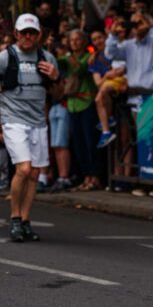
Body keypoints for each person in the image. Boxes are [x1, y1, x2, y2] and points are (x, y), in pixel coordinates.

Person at [0, 13, 61, 242]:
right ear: (15, 33)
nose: (27, 37)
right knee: (23, 169)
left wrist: (55, 78)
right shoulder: (4, 58)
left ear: (39, 35)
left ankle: (25, 221)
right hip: (13, 120)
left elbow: (59, 94)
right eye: (23, 32)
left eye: (32, 33)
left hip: (38, 123)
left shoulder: (47, 58)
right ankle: (14, 218)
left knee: (34, 173)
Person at [59, 30, 100, 191]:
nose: (75, 42)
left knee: (90, 142)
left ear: (83, 41)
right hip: (72, 105)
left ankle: (95, 176)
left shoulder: (89, 56)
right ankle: (86, 176)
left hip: (87, 102)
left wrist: (83, 62)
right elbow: (55, 63)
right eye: (72, 40)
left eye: (78, 40)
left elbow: (80, 70)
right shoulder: (67, 58)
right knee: (78, 143)